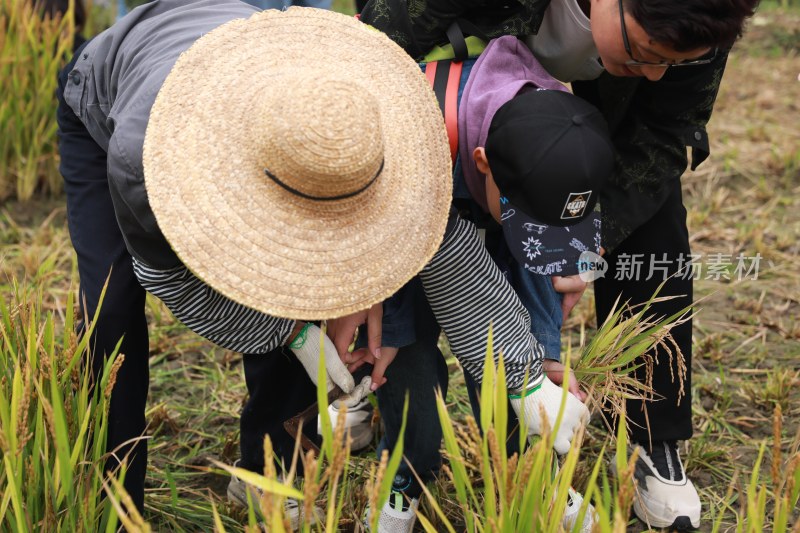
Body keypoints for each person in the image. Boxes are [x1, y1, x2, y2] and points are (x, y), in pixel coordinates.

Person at [55, 1, 588, 528]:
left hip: (256, 64)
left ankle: (270, 468)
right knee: (112, 312)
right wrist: (296, 337)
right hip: (112, 100)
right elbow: (176, 281)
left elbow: (448, 254)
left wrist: (523, 380)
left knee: (303, 288)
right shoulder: (148, 165)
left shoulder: (366, 121)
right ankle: (112, 502)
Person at [359, 0, 759, 529]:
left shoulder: (705, 19)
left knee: (654, 237)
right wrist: (371, 291)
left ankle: (625, 444)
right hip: (435, 129)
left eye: (674, 62)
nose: (657, 74)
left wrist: (576, 265)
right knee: (401, 324)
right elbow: (378, 36)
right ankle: (378, 442)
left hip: (554, 141)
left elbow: (664, 134)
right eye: (644, 52)